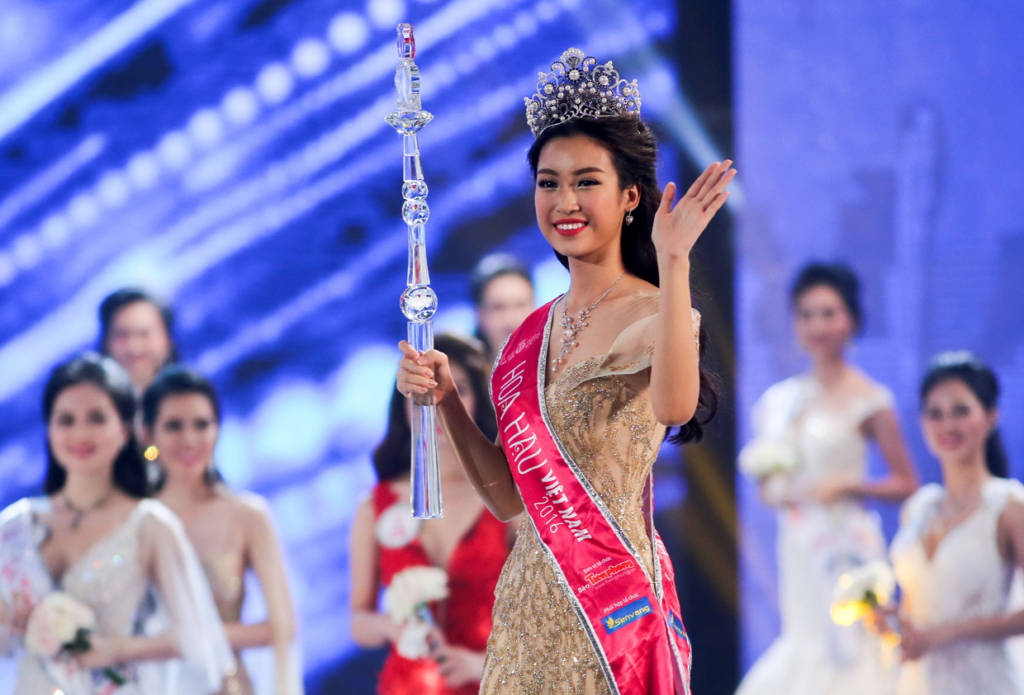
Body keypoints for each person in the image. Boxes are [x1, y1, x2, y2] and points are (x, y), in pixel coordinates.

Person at [396, 47, 728, 694]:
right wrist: (445, 401)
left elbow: (675, 407)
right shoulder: (526, 338)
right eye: (548, 182)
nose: (564, 200)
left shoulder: (658, 311)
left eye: (586, 181)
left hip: (614, 613)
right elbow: (507, 496)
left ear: (630, 195)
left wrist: (675, 259)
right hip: (526, 612)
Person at [0, 353, 234, 694]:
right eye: (66, 419)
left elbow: (195, 638)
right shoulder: (14, 525)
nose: (80, 433)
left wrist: (113, 649)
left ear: (124, 429)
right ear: (49, 429)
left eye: (96, 418)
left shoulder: (150, 524)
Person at [736, 262, 918, 695]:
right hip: (799, 542)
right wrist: (775, 486)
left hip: (846, 542)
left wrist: (847, 486)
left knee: (853, 644)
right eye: (806, 314)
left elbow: (906, 482)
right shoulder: (780, 401)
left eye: (828, 313)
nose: (816, 325)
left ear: (851, 319)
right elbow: (769, 493)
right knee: (807, 635)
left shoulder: (870, 399)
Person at [351, 333, 511, 695]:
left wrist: (484, 664)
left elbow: (547, 612)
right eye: (419, 389)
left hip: (493, 681)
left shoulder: (507, 501)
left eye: (457, 389)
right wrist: (391, 626)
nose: (435, 402)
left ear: (478, 402)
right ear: (403, 404)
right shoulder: (373, 507)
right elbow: (358, 620)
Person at [142, 366, 302, 695]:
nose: (189, 439)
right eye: (174, 426)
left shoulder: (247, 514)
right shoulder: (134, 521)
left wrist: (189, 638)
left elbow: (281, 627)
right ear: (148, 435)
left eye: (202, 424)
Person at [889, 352, 1024, 694]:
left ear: (991, 416)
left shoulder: (1008, 505)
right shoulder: (917, 508)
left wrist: (946, 634)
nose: (948, 425)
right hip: (918, 681)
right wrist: (890, 621)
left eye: (961, 411)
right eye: (935, 413)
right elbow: (915, 605)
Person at [99, 288, 178, 395]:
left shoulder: (191, 400)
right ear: (105, 342)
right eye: (122, 335)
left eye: (144, 334)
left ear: (168, 339)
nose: (134, 347)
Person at [469, 254, 536, 363]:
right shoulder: (465, 377)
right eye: (498, 308)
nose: (511, 320)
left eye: (520, 305)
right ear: (480, 314)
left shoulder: (557, 367)